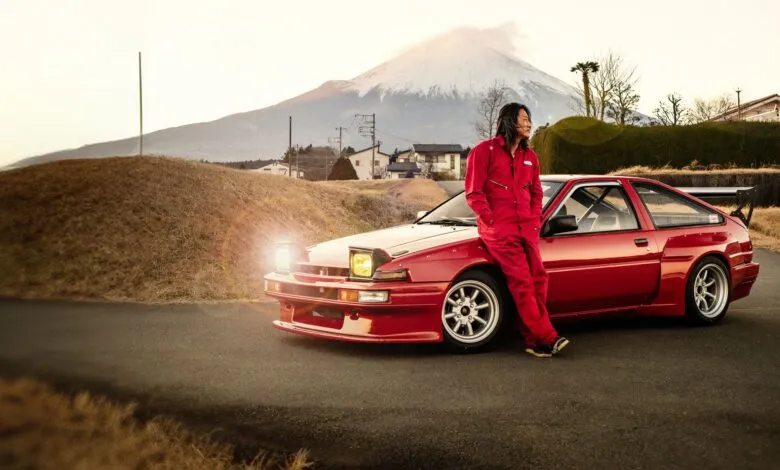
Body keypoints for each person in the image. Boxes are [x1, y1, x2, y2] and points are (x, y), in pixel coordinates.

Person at [464, 102, 569, 358]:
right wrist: (492, 221)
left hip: (527, 229)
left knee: (539, 278)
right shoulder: (483, 151)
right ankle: (546, 336)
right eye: (524, 118)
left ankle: (532, 339)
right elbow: (474, 193)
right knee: (521, 281)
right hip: (500, 231)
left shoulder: (530, 157)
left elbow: (535, 193)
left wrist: (535, 221)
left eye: (529, 118)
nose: (529, 123)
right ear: (510, 121)